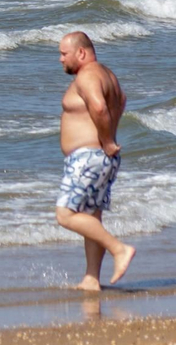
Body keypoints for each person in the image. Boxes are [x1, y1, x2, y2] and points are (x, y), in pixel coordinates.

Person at [54, 31, 137, 292]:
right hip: (100, 158)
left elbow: (100, 107)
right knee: (92, 217)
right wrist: (107, 141)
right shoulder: (107, 74)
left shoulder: (88, 75)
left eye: (64, 54)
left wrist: (107, 140)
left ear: (81, 52)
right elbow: (121, 101)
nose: (60, 59)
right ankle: (91, 279)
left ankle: (119, 249)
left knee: (65, 215)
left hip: (88, 157)